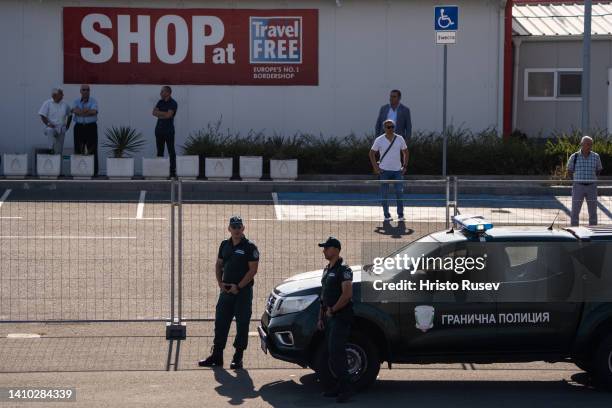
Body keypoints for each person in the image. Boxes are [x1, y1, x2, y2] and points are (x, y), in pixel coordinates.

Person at [199, 216, 259, 369]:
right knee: (220, 322)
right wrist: (220, 283)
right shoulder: (224, 245)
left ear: (243, 228)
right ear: (229, 229)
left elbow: (253, 270)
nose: (237, 230)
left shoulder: (250, 247)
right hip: (226, 291)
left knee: (242, 323)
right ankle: (217, 355)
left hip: (242, 293)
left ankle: (238, 357)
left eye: (239, 227)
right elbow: (218, 265)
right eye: (234, 227)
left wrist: (238, 287)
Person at [317, 237, 354, 403]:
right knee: (332, 354)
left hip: (340, 317)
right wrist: (321, 316)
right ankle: (339, 386)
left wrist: (333, 309)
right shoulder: (326, 270)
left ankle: (346, 389)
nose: (324, 250)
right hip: (329, 317)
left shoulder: (344, 270)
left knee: (337, 353)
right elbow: (323, 296)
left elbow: (347, 295)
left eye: (327, 248)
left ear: (336, 250)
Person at [369, 119, 409, 221]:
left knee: (399, 192)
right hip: (384, 171)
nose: (390, 129)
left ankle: (400, 215)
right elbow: (371, 153)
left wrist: (404, 166)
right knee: (384, 194)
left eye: (392, 127)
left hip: (397, 171)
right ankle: (386, 215)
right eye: (388, 127)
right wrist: (375, 167)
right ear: (384, 128)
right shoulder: (379, 140)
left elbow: (406, 152)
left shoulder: (400, 139)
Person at [568, 135, 603, 226]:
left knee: (593, 212)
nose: (589, 146)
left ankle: (593, 231)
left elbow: (599, 169)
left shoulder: (596, 156)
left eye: (591, 144)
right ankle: (574, 230)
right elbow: (569, 170)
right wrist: (574, 181)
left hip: (591, 186)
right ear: (581, 144)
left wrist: (594, 178)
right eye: (587, 144)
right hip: (578, 186)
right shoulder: (574, 156)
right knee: (575, 211)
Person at [72, 84, 99, 175]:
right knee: (78, 148)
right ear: (80, 91)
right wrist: (87, 111)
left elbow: (94, 112)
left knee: (92, 149)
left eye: (87, 90)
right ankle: (79, 171)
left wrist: (81, 111)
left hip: (91, 127)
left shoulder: (93, 101)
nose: (86, 91)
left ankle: (94, 172)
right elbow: (75, 111)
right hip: (79, 127)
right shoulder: (76, 101)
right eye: (84, 90)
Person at [152, 86, 178, 177]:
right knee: (160, 151)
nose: (160, 93)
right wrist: (165, 113)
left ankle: (172, 172)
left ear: (168, 92)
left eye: (162, 91)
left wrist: (160, 114)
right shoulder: (160, 102)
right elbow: (154, 112)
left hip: (169, 131)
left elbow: (169, 116)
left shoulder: (173, 103)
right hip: (159, 130)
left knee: (171, 151)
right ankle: (160, 171)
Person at [38, 88, 71, 154]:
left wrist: (67, 126)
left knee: (59, 150)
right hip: (52, 127)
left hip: (61, 128)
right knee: (50, 130)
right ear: (55, 95)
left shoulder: (65, 104)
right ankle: (50, 149)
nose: (63, 95)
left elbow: (70, 114)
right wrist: (47, 123)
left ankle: (57, 158)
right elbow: (42, 114)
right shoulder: (47, 103)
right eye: (61, 94)